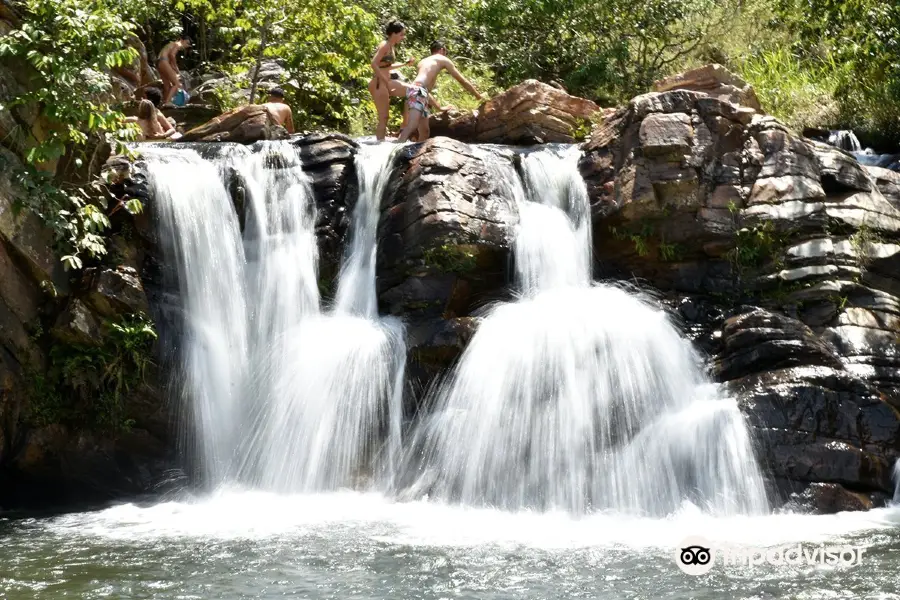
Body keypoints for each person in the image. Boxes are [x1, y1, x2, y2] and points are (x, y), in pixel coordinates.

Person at [397, 41, 483, 144]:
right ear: (442, 50)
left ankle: (415, 157)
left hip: (418, 91)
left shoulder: (423, 62)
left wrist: (440, 108)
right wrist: (479, 96)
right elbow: (462, 80)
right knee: (411, 126)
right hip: (418, 91)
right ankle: (392, 152)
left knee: (424, 132)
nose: (446, 55)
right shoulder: (442, 59)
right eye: (446, 52)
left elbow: (424, 90)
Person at [369, 20, 416, 140]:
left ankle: (404, 126)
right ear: (394, 34)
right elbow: (373, 64)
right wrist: (384, 79)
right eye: (401, 34)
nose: (403, 37)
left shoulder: (391, 46)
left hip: (386, 82)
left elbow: (386, 66)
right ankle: (379, 146)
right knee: (384, 118)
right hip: (379, 83)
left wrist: (405, 64)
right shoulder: (384, 45)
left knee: (412, 90)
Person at [157, 36, 192, 105]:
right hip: (164, 61)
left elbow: (168, 55)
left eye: (188, 45)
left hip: (159, 63)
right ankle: (167, 103)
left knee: (167, 86)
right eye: (187, 43)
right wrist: (176, 67)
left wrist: (172, 66)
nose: (187, 46)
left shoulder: (171, 44)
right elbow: (172, 55)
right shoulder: (178, 44)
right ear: (181, 40)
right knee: (177, 84)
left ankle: (164, 102)